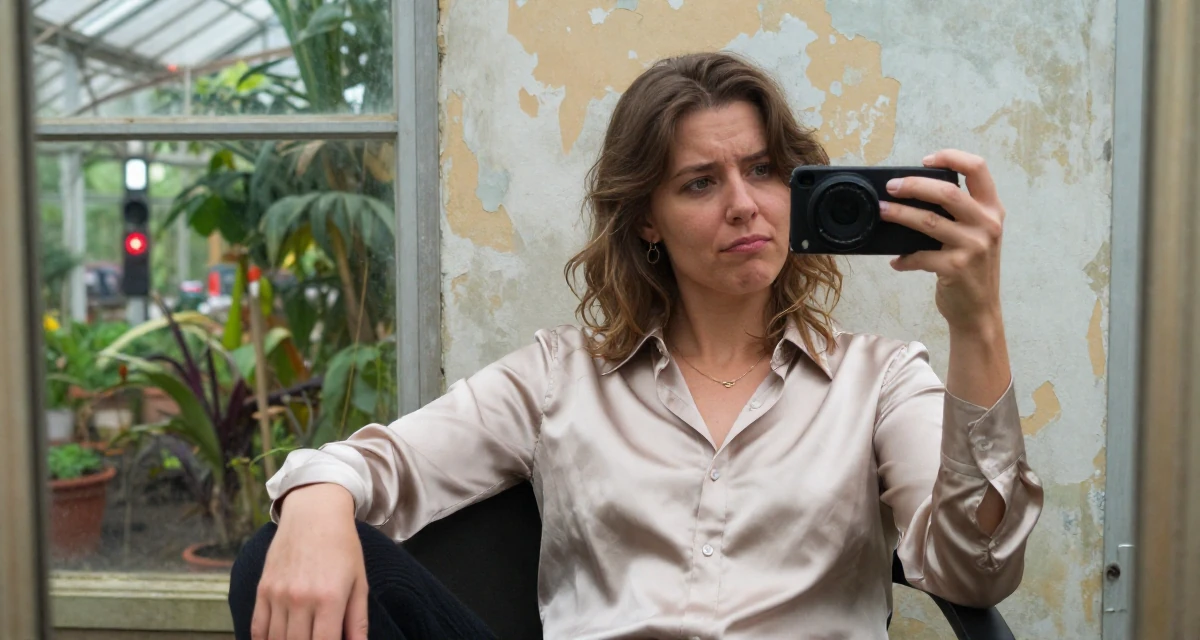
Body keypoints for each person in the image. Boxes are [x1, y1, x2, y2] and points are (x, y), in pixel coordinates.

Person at [229, 51, 1044, 640]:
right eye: (699, 182)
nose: (742, 206)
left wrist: (976, 321)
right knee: (272, 554)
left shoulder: (881, 379)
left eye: (762, 171)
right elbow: (371, 465)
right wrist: (314, 502)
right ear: (647, 218)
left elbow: (975, 569)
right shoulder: (559, 376)